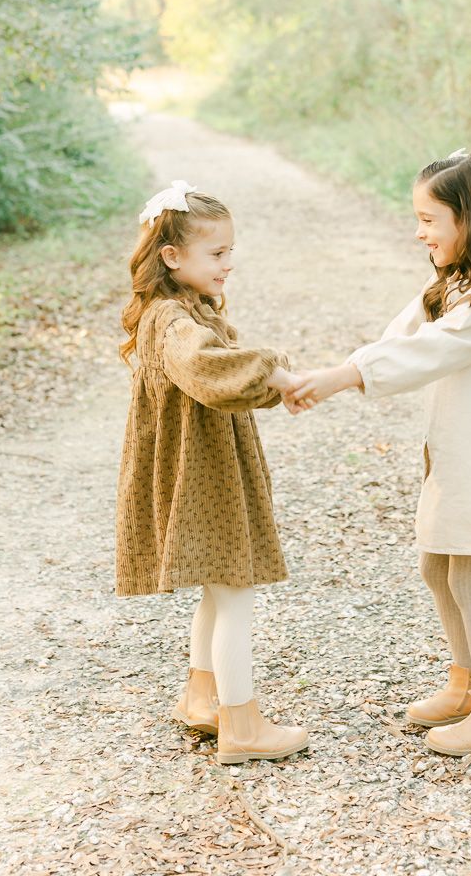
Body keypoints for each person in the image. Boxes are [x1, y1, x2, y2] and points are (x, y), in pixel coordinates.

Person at [289, 149, 471, 758]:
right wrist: (334, 372)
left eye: (430, 219)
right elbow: (399, 339)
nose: (419, 231)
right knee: (436, 566)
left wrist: (345, 377)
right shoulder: (451, 285)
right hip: (454, 457)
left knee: (468, 575)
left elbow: (424, 355)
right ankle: (466, 683)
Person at [115, 179, 308, 764]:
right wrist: (272, 371)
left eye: (230, 251)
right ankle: (241, 724)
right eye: (217, 253)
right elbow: (204, 364)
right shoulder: (173, 321)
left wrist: (273, 384)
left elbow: (220, 364)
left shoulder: (182, 308)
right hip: (202, 478)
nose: (229, 264)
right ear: (172, 258)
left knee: (219, 589)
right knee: (235, 591)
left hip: (203, 474)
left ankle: (202, 698)